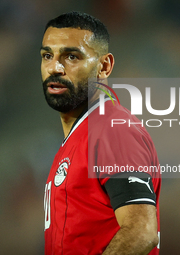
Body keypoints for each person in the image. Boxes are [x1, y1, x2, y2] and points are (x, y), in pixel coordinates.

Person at [41, 11, 161, 254]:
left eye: (71, 56)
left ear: (104, 66)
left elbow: (141, 231)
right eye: (47, 55)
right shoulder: (80, 136)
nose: (55, 67)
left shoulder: (112, 129)